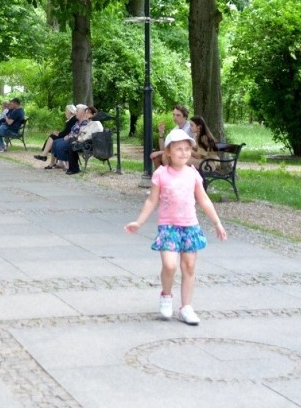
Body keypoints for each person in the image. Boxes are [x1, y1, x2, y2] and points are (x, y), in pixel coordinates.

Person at [124, 128, 227, 324]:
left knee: (188, 267)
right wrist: (139, 222)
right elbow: (151, 201)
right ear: (168, 152)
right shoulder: (161, 174)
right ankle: (166, 294)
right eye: (179, 149)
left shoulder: (193, 174)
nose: (184, 153)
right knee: (169, 266)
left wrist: (217, 223)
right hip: (168, 227)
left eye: (187, 149)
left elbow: (204, 200)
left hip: (190, 226)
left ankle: (186, 307)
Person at [64, 105, 104, 175]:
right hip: (85, 142)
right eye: (86, 112)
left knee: (72, 146)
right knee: (71, 143)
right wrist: (77, 138)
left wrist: (79, 139)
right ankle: (72, 168)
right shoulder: (90, 123)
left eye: (88, 113)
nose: (86, 114)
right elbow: (82, 132)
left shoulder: (96, 123)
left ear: (93, 114)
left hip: (90, 144)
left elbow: (89, 135)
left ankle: (74, 169)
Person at [152, 104, 194, 168]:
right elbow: (163, 148)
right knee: (157, 157)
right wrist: (161, 133)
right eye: (174, 115)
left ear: (185, 116)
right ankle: (160, 177)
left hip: (186, 155)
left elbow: (177, 148)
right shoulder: (175, 129)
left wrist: (159, 152)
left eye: (178, 115)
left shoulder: (190, 128)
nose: (175, 117)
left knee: (164, 156)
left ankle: (171, 176)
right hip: (177, 154)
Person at [47, 105, 88, 169]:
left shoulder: (84, 122)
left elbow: (81, 133)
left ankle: (67, 164)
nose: (75, 112)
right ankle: (61, 163)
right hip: (70, 138)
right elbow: (71, 131)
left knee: (59, 144)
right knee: (55, 142)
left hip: (76, 140)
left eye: (77, 111)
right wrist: (68, 135)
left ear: (82, 113)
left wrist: (69, 136)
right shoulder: (77, 121)